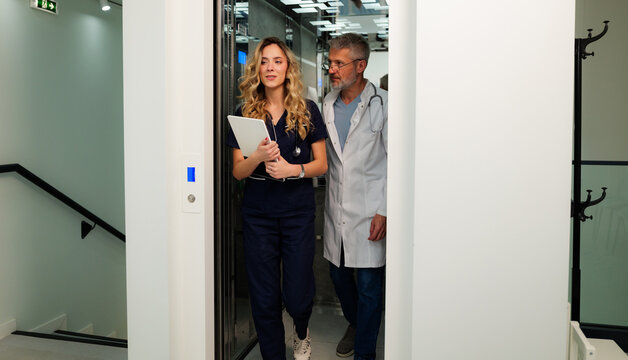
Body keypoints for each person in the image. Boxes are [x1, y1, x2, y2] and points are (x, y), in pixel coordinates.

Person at [226, 37, 328, 360]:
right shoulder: (245, 114)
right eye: (265, 61)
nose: (270, 67)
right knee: (264, 296)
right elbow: (239, 172)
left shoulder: (307, 110)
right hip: (259, 215)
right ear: (257, 68)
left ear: (288, 68)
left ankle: (301, 330)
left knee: (297, 294)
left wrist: (291, 170)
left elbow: (322, 164)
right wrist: (256, 156)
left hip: (297, 213)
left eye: (277, 61)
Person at [321, 33, 388, 360]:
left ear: (360, 66)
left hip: (372, 208)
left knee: (370, 287)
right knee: (337, 275)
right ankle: (356, 322)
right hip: (337, 208)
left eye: (338, 63)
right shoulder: (327, 104)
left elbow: (396, 162)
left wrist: (385, 210)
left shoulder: (384, 104)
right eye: (330, 62)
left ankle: (365, 352)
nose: (331, 69)